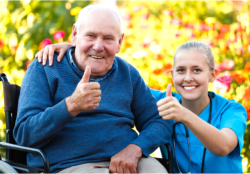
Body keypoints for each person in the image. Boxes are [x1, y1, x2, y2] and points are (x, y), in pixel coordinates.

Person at [38, 40, 247, 173]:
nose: (188, 78)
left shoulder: (231, 110)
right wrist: (72, 49)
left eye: (197, 70)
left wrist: (183, 115)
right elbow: (126, 84)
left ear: (212, 75)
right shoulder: (162, 100)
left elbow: (223, 146)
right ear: (172, 75)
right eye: (181, 70)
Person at [14, 4, 171, 174]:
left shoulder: (128, 74)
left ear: (119, 42)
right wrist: (71, 105)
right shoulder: (46, 67)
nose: (98, 46)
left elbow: (158, 121)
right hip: (69, 165)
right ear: (75, 35)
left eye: (108, 38)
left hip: (126, 161)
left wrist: (136, 148)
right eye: (91, 35)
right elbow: (25, 135)